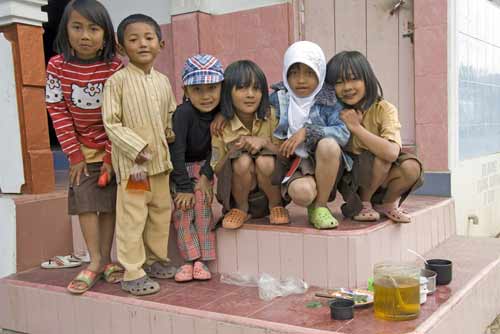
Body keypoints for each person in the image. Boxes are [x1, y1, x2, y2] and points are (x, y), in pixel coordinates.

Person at [45, 0, 123, 294]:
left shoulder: (114, 66)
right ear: (66, 30)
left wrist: (111, 156)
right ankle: (95, 260)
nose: (85, 35)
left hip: (113, 146)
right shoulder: (57, 66)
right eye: (77, 27)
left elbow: (120, 113)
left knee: (108, 204)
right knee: (86, 204)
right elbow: (57, 109)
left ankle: (107, 258)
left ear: (105, 34)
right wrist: (74, 155)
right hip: (79, 148)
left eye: (94, 28)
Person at [102, 14, 176, 296]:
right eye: (133, 39)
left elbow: (169, 113)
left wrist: (169, 133)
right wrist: (138, 149)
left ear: (161, 43)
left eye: (148, 38)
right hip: (136, 167)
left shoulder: (163, 81)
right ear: (121, 48)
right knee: (133, 215)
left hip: (160, 165)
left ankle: (155, 259)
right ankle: (132, 270)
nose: (142, 44)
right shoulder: (117, 82)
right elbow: (112, 122)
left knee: (160, 212)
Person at [326, 50, 423, 223]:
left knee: (410, 167)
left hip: (382, 173)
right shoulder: (331, 111)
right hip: (351, 178)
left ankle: (386, 204)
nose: (347, 87)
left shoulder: (384, 109)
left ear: (367, 79)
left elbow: (392, 152)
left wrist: (356, 127)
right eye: (339, 82)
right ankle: (361, 203)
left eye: (354, 78)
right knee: (378, 157)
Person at [269, 41, 351, 229]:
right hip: (295, 163)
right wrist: (222, 115)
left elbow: (343, 133)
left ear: (320, 73)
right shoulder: (279, 97)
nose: (301, 80)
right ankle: (311, 198)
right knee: (303, 193)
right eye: (294, 72)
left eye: (309, 72)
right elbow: (252, 110)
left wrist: (308, 131)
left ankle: (320, 206)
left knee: (329, 144)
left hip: (326, 161)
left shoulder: (329, 99)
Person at [212, 60, 290, 229]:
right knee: (242, 161)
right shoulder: (220, 126)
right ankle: (241, 209)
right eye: (242, 88)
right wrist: (233, 151)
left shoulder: (272, 116)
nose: (250, 94)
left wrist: (265, 143)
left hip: (270, 191)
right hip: (238, 192)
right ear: (228, 92)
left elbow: (286, 157)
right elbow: (217, 170)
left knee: (265, 160)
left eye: (256, 88)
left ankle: (276, 206)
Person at [169, 54, 224, 282]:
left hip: (205, 169)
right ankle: (188, 259)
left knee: (202, 208)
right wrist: (183, 187)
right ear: (186, 90)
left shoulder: (222, 115)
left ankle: (202, 261)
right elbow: (176, 151)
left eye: (212, 88)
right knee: (183, 211)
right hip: (181, 170)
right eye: (197, 89)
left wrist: (205, 176)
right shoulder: (183, 114)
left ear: (221, 87)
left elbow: (217, 148)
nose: (206, 95)